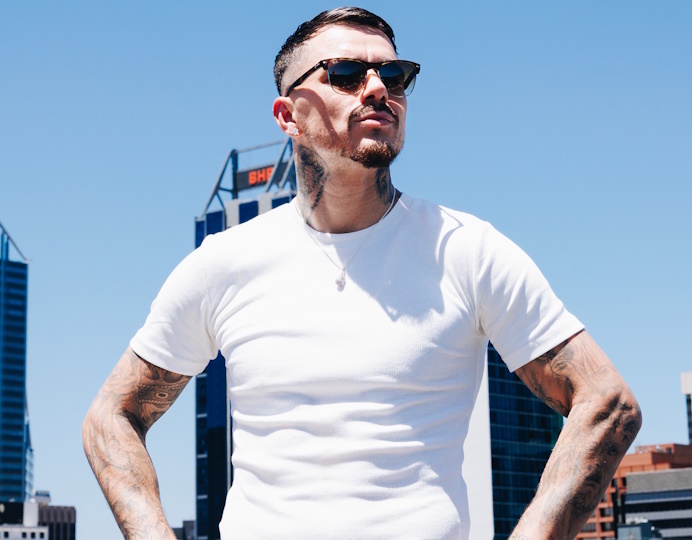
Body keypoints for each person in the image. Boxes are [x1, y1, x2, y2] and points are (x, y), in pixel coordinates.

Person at [83, 7, 641, 539]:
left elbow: (607, 402)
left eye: (394, 76)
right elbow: (111, 416)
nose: (377, 89)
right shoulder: (223, 264)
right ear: (288, 116)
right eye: (345, 74)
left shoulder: (468, 250)